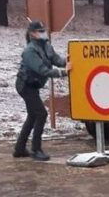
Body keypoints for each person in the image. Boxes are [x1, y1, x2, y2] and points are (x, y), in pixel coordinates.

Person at [14, 21, 68, 161]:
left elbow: (55, 59)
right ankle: (36, 149)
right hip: (25, 85)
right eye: (40, 31)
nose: (43, 33)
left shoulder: (45, 45)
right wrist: (63, 73)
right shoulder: (30, 51)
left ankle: (19, 149)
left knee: (33, 116)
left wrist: (68, 61)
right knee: (41, 114)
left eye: (43, 30)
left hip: (33, 85)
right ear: (32, 33)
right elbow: (42, 70)